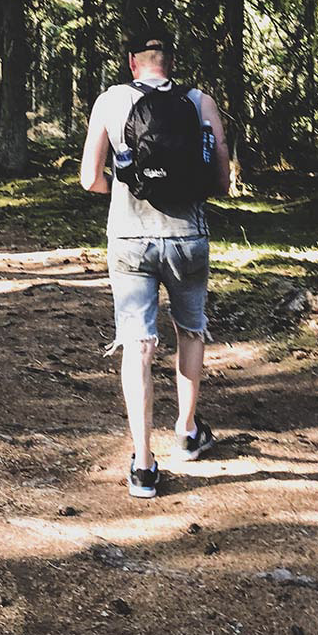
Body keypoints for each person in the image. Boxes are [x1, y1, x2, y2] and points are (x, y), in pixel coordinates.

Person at [80, 27, 230, 498]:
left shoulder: (109, 101)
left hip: (128, 238)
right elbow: (221, 176)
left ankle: (144, 464)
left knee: (138, 343)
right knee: (190, 329)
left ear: (132, 63)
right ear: (169, 62)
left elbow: (89, 179)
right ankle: (186, 431)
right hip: (188, 236)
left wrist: (124, 191)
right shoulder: (199, 101)